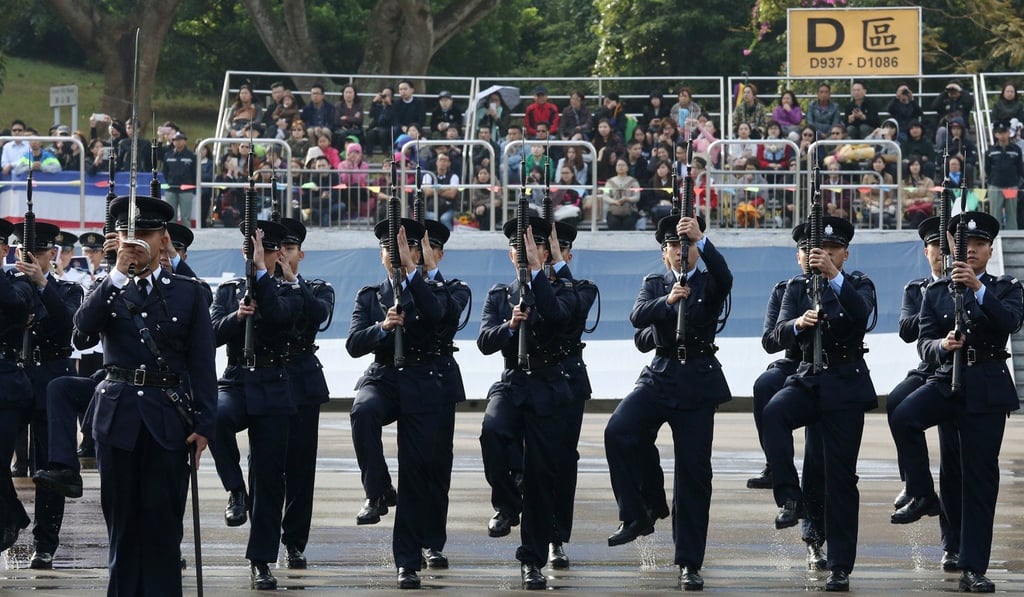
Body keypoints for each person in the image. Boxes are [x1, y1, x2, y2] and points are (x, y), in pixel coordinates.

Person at [72, 194, 215, 595]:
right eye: (127, 234)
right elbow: (81, 331)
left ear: (163, 238)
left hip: (168, 418)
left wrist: (206, 424)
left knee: (162, 521)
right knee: (121, 521)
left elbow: (202, 364)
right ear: (115, 240)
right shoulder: (107, 288)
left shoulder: (188, 291)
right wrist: (115, 275)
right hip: (117, 418)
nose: (136, 242)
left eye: (146, 233)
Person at [889, 211, 1023, 593]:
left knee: (980, 481)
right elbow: (923, 342)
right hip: (947, 380)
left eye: (980, 245)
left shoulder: (1005, 286)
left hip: (986, 386)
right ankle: (921, 492)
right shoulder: (935, 291)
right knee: (903, 416)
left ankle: (974, 566)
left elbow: (1010, 322)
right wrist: (942, 346)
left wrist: (978, 288)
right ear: (953, 250)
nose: (973, 251)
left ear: (990, 250)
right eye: (966, 246)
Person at [604, 214, 732, 592]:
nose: (681, 252)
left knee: (694, 475)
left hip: (697, 377)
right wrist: (667, 299)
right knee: (620, 430)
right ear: (664, 254)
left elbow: (725, 278)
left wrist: (703, 241)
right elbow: (637, 315)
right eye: (674, 246)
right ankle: (639, 511)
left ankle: (689, 562)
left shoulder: (709, 282)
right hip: (660, 373)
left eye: (687, 246)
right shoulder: (654, 283)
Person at [762, 216, 876, 592]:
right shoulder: (794, 289)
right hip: (809, 378)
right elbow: (775, 334)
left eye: (832, 251)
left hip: (845, 383)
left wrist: (833, 278)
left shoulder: (857, 284)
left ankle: (841, 566)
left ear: (844, 253)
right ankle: (790, 497)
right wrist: (798, 323)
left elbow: (860, 317)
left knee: (841, 479)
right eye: (817, 252)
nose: (824, 256)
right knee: (774, 411)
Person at [346, 217, 459, 589]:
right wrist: (382, 328)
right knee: (363, 410)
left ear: (420, 252)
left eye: (404, 248)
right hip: (386, 377)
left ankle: (409, 560)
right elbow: (354, 344)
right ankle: (377, 490)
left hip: (426, 380)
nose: (394, 255)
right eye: (388, 249)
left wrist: (412, 273)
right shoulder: (370, 295)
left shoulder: (443, 289)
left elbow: (438, 314)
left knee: (421, 470)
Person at [478, 216, 576, 590]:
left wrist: (537, 274)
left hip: (548, 383)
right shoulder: (499, 294)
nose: (525, 254)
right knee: (493, 430)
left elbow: (559, 316)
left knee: (540, 476)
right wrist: (510, 327)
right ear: (510, 253)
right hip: (514, 379)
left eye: (533, 248)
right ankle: (505, 503)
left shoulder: (561, 286)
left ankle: (532, 560)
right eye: (520, 249)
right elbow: (486, 341)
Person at [209, 219, 302, 591]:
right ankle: (234, 489)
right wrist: (237, 316)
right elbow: (212, 333)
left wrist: (262, 277)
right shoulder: (229, 289)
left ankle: (260, 560)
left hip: (273, 384)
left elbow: (283, 319)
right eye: (250, 249)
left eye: (262, 249)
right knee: (215, 416)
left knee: (268, 479)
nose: (254, 255)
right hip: (236, 378)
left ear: (277, 253)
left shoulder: (289, 288)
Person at [883, 216, 961, 572]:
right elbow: (905, 330)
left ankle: (952, 545)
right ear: (926, 251)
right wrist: (935, 299)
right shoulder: (917, 288)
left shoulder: (964, 284)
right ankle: (914, 484)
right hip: (929, 367)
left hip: (957, 371)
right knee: (897, 403)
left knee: (953, 465)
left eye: (947, 249)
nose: (941, 256)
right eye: (935, 249)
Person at [747, 226, 828, 570]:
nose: (810, 256)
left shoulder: (840, 285)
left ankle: (815, 539)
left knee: (817, 464)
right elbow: (769, 339)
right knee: (764, 386)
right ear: (797, 256)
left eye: (817, 250)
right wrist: (797, 323)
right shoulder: (786, 290)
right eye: (804, 251)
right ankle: (775, 465)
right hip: (794, 363)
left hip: (826, 369)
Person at [6, 221, 82, 569]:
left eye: (39, 254)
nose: (33, 260)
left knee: (48, 468)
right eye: (27, 254)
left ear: (53, 254)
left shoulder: (68, 289)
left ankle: (45, 541)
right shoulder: (11, 286)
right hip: (15, 376)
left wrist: (42, 282)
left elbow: (66, 325)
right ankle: (12, 516)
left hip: (53, 378)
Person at [273, 218, 334, 569]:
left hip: (301, 381)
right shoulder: (256, 286)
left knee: (300, 469)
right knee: (266, 465)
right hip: (267, 379)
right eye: (278, 248)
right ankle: (263, 530)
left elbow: (318, 316)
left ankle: (294, 541)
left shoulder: (315, 287)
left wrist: (293, 283)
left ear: (301, 254)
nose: (283, 255)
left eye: (290, 249)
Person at [418, 219, 471, 571]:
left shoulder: (455, 288)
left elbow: (444, 314)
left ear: (440, 253)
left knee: (437, 467)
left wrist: (426, 273)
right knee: (413, 467)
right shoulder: (397, 286)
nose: (421, 257)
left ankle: (432, 542)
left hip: (439, 382)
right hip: (406, 381)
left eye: (428, 251)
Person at [0, 217, 38, 553]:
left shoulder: (16, 280)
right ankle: (12, 516)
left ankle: (9, 519)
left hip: (5, 385)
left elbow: (18, 303)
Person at [984, 121, 1023, 231]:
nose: (1003, 135)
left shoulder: (1016, 150)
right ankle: (994, 237)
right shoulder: (990, 151)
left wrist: (1016, 182)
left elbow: (1020, 168)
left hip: (1011, 185)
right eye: (1000, 133)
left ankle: (1013, 241)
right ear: (996, 135)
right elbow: (987, 169)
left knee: (1011, 214)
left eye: (1005, 132)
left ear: (1008, 133)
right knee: (995, 214)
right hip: (995, 186)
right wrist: (992, 181)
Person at [162, 131, 197, 225]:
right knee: (171, 217)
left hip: (186, 190)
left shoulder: (191, 156)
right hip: (171, 189)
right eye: (175, 140)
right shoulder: (168, 155)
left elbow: (195, 173)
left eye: (180, 139)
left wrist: (191, 185)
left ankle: (186, 238)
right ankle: (172, 237)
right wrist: (169, 182)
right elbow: (165, 171)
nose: (178, 142)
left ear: (185, 141)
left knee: (185, 218)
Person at [422, 152, 460, 230]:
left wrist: (435, 190)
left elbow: (452, 194)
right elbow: (427, 192)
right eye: (440, 160)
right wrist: (444, 189)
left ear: (449, 163)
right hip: (431, 207)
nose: (442, 162)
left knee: (444, 219)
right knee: (432, 217)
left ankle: (451, 239)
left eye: (445, 160)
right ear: (436, 162)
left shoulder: (454, 176)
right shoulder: (428, 175)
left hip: (448, 208)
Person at [932, 80, 975, 149]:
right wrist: (945, 92)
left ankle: (966, 152)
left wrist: (960, 90)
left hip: (961, 127)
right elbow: (934, 106)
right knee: (941, 130)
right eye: (950, 91)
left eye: (955, 90)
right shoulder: (944, 100)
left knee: (965, 131)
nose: (952, 92)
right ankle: (940, 152)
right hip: (946, 127)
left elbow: (970, 102)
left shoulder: (964, 100)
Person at [602, 159, 640, 230]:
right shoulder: (610, 182)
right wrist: (614, 201)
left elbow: (637, 197)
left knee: (628, 223)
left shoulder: (634, 181)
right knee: (614, 223)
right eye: (618, 165)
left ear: (627, 167)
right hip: (613, 211)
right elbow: (605, 197)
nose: (620, 167)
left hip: (630, 211)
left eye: (623, 165)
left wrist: (627, 199)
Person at [902, 158, 936, 229]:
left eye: (917, 165)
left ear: (920, 166)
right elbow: (903, 200)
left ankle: (912, 233)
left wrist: (922, 200)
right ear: (909, 167)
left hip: (925, 209)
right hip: (910, 210)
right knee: (919, 214)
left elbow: (931, 198)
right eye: (912, 165)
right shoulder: (903, 183)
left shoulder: (928, 181)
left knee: (920, 213)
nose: (915, 167)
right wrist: (914, 202)